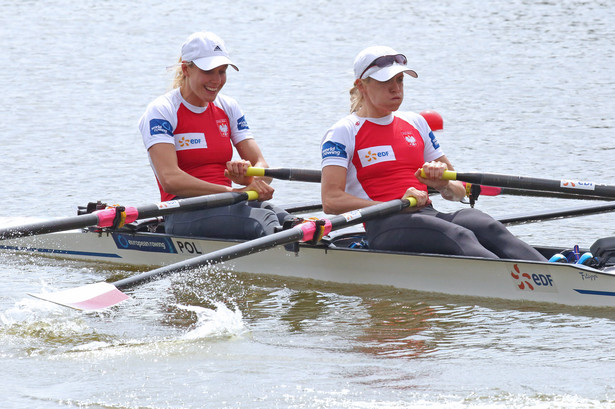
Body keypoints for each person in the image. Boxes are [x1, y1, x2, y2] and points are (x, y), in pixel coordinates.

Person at [320, 45, 546, 261]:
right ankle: (521, 285)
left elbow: (459, 190)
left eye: (399, 80)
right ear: (361, 85)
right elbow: (331, 200)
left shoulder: (416, 123)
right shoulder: (344, 131)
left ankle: (553, 273)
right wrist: (393, 201)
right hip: (384, 223)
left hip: (427, 214)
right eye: (385, 81)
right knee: (461, 236)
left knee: (485, 224)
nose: (396, 89)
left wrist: (441, 184)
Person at [139, 31, 288, 239]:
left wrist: (248, 175)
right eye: (209, 71)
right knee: (264, 220)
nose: (217, 80)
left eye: (222, 71)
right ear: (186, 69)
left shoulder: (228, 107)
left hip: (228, 204)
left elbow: (263, 166)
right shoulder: (163, 110)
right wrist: (233, 193)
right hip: (183, 211)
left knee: (290, 221)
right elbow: (170, 179)